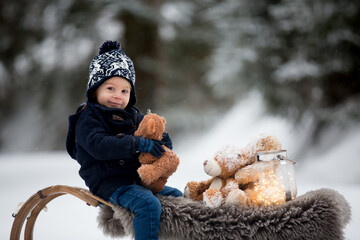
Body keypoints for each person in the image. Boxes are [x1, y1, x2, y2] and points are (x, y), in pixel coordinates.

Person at [66, 40, 183, 240]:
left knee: (177, 197)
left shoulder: (132, 115)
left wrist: (160, 141)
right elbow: (100, 146)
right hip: (108, 182)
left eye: (124, 91)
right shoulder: (89, 117)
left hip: (135, 179)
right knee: (147, 204)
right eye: (110, 88)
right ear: (95, 90)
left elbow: (150, 139)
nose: (118, 96)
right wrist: (137, 144)